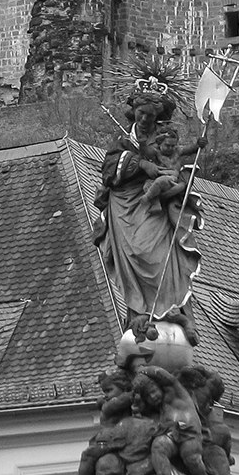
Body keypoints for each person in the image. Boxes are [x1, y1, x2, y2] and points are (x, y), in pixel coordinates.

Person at [94, 79, 204, 324]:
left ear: (158, 117)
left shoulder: (164, 140)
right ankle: (139, 314)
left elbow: (178, 161)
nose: (144, 120)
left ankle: (170, 309)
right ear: (133, 111)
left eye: (151, 116)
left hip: (158, 211)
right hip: (126, 208)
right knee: (136, 253)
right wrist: (141, 164)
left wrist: (182, 170)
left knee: (162, 257)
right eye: (141, 113)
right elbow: (109, 170)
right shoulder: (123, 142)